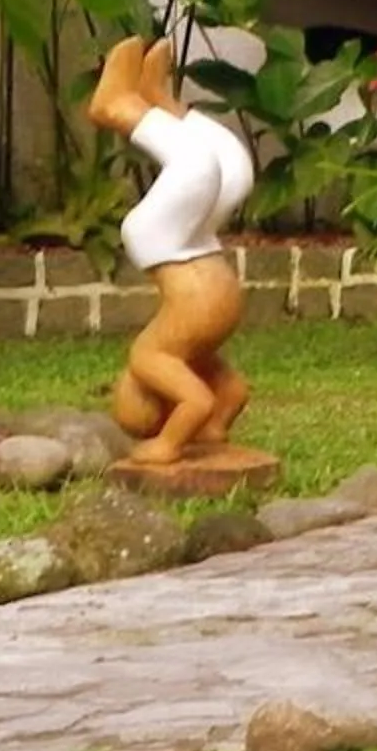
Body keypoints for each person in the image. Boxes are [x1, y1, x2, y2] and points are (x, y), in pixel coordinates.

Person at [86, 36, 255, 464]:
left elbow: (227, 394)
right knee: (213, 172)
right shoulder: (163, 356)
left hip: (203, 277)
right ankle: (139, 104)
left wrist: (194, 433)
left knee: (223, 174)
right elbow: (201, 399)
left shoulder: (170, 354)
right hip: (190, 265)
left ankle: (137, 104)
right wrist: (179, 437)